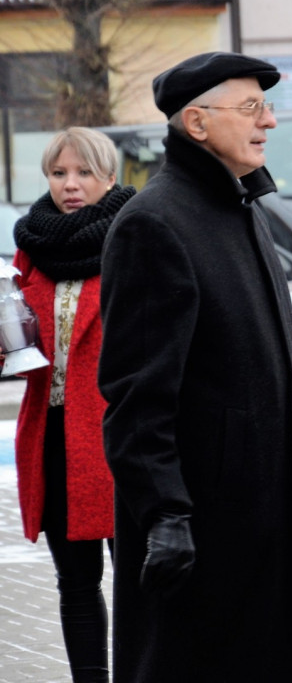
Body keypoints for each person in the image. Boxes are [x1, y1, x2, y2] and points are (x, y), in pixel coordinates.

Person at [97, 52, 292, 682]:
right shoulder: (155, 225)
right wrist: (164, 514)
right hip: (200, 534)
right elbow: (137, 397)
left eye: (267, 107)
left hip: (260, 524)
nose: (269, 122)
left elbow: (265, 375)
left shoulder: (242, 209)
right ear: (196, 124)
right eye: (252, 108)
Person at [12, 127, 136, 682]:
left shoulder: (134, 236)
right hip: (55, 438)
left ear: (109, 176)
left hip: (122, 436)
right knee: (76, 582)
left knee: (137, 579)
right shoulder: (32, 245)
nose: (71, 185)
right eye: (60, 173)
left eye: (84, 172)